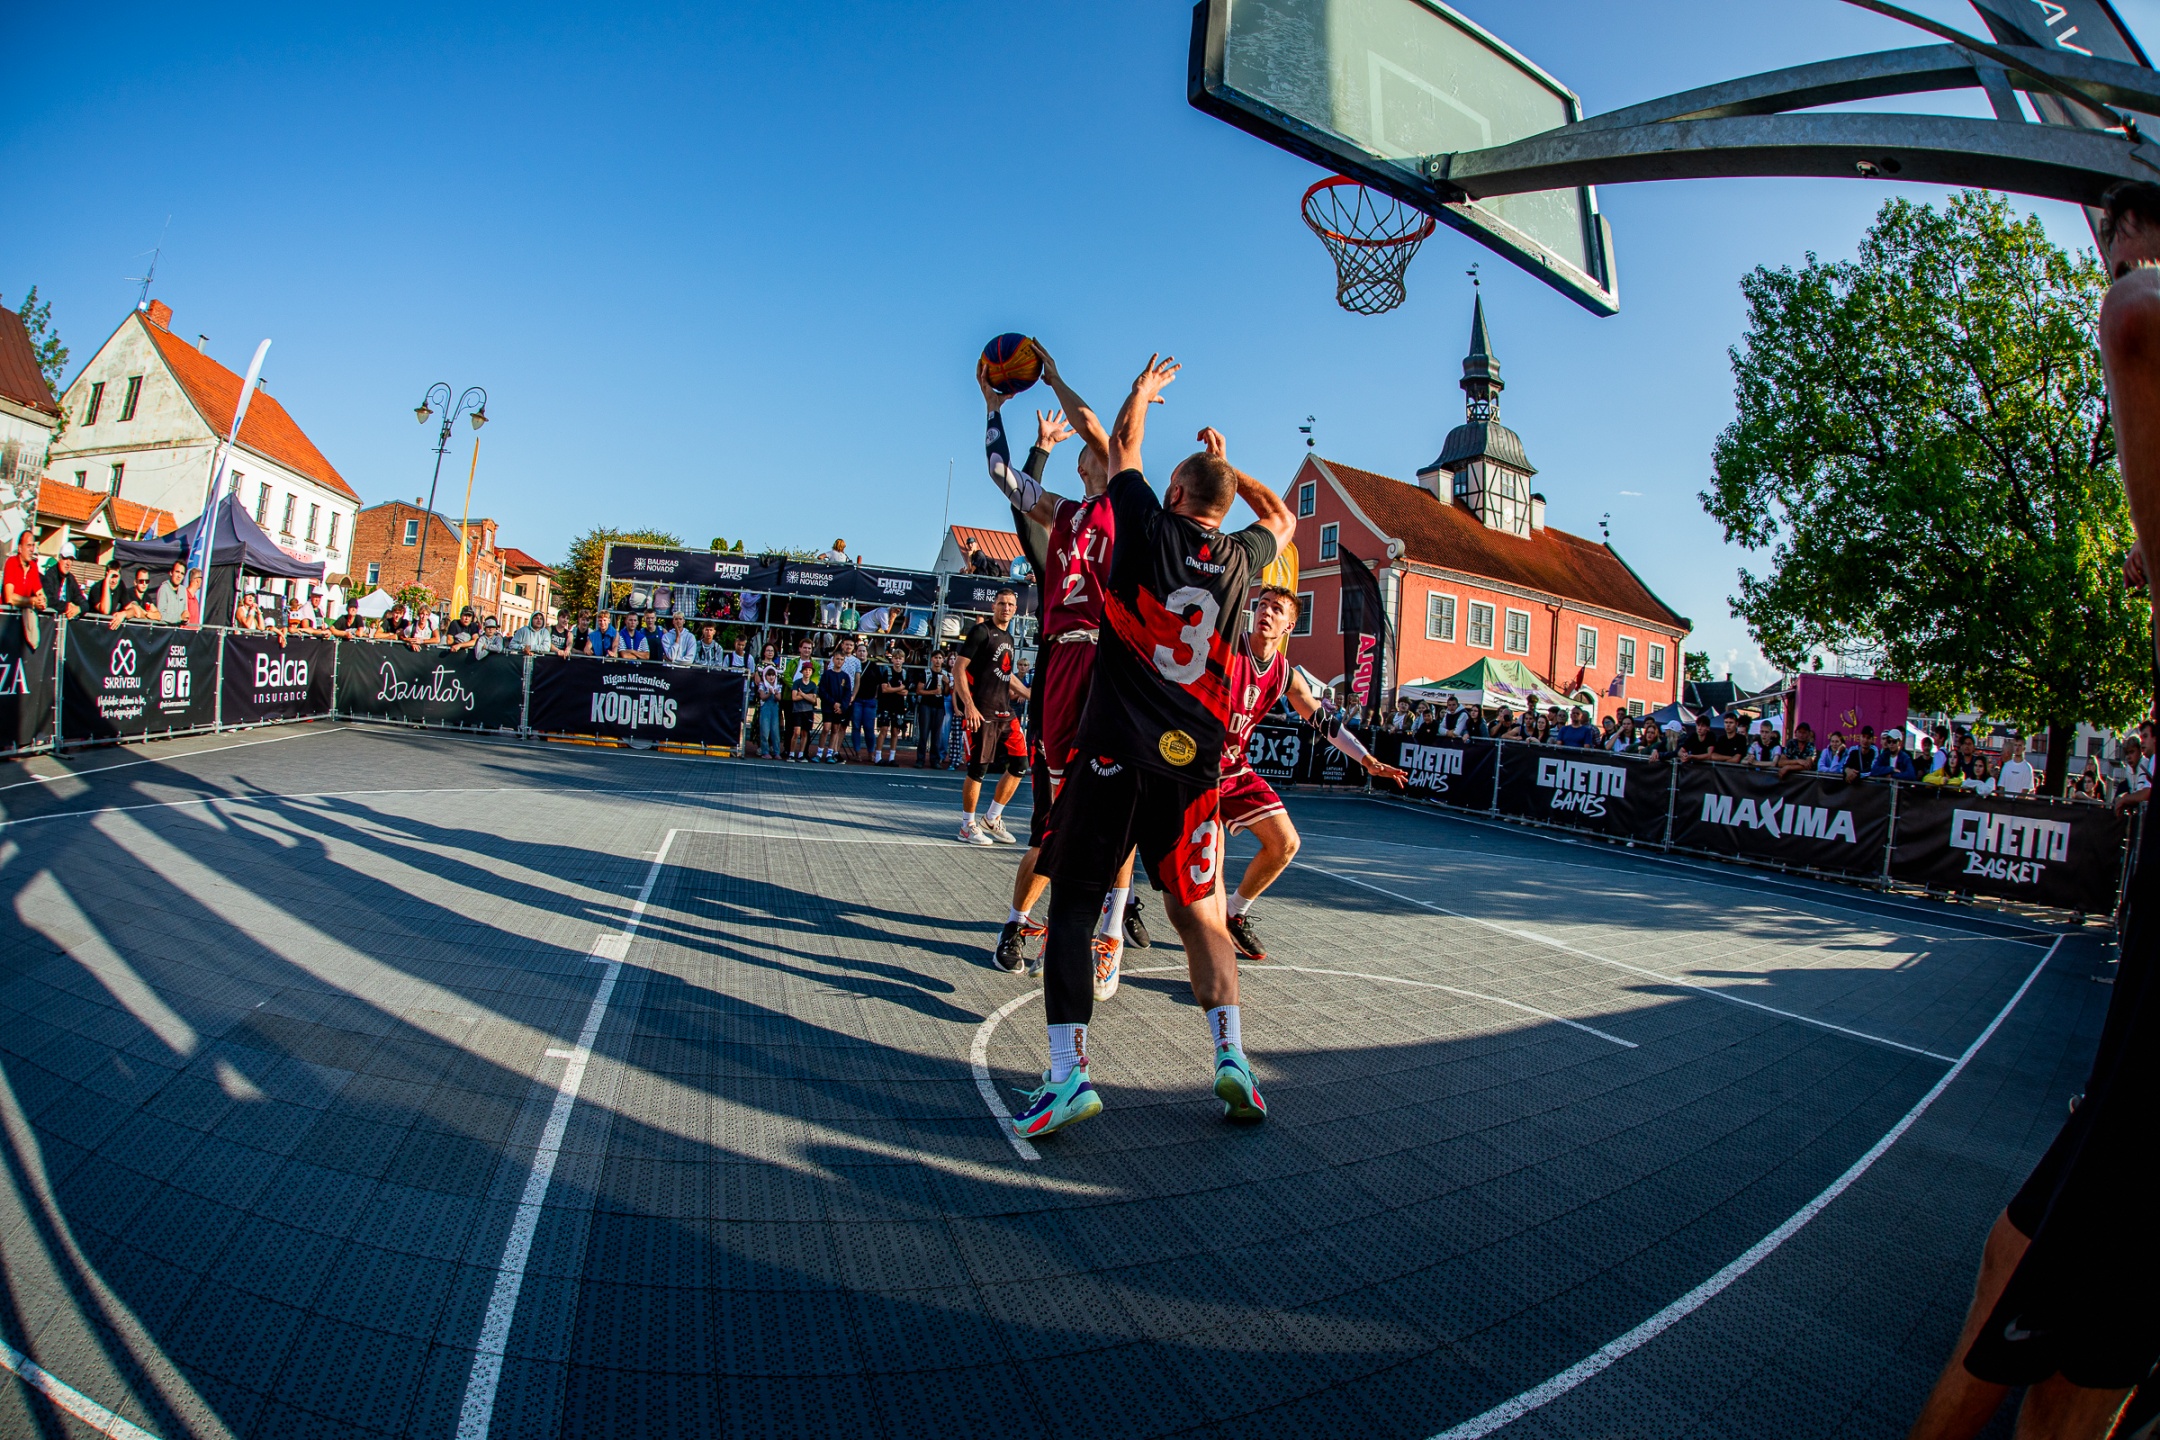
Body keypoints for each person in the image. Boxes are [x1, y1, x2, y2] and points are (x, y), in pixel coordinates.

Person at [1903, 182, 2160, 1440]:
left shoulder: (2139, 293)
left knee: (2068, 1347)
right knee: (2022, 1268)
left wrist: (2135, 273)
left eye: (2109, 233)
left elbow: (2139, 316)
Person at [1019, 352, 1296, 1141]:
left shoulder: (1142, 525)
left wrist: (1141, 393)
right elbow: (1281, 517)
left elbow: (1124, 445)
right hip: (1194, 767)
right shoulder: (1244, 557)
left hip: (1115, 749)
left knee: (1074, 906)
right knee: (1201, 915)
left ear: (1173, 494)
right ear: (1224, 506)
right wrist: (1230, 467)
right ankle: (1233, 1058)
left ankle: (1068, 1075)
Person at [979, 349, 1146, 977]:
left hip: (1112, 659)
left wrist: (1054, 378)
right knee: (1051, 821)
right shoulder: (1064, 512)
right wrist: (992, 410)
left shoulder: (1129, 507)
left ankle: (1111, 930)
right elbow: (1001, 475)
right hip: (1062, 663)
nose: (1102, 449)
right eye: (1092, 450)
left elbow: (1109, 430)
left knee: (1119, 805)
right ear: (1081, 466)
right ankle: (1019, 921)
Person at [1221, 586, 1407, 961]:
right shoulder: (1225, 647)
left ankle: (1234, 913)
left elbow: (1324, 721)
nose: (1266, 612)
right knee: (1166, 844)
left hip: (1234, 768)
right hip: (1190, 763)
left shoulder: (1285, 674)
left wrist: (1367, 760)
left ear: (1289, 625)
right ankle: (1120, 906)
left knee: (1285, 844)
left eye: (1277, 609)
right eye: (1262, 605)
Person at [955, 588, 1028, 841]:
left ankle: (992, 818)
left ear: (1015, 609)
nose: (1005, 608)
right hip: (982, 711)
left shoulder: (1009, 637)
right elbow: (958, 669)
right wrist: (969, 705)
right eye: (1001, 603)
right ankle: (967, 826)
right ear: (993, 606)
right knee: (978, 769)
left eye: (1010, 604)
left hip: (1005, 712)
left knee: (1020, 764)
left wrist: (1030, 693)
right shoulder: (981, 632)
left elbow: (1006, 674)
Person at [4, 530, 47, 648]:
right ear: (19, 548)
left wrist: (42, 601)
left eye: (33, 545)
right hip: (5, 623)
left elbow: (41, 594)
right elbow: (9, 597)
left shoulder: (33, 567)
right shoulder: (11, 563)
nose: (32, 549)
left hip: (21, 628)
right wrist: (32, 601)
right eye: (28, 545)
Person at [872, 643, 911, 766]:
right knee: (883, 729)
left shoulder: (905, 673)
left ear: (903, 660)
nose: (898, 661)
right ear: (892, 659)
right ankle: (878, 756)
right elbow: (884, 689)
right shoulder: (886, 672)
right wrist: (899, 688)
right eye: (895, 658)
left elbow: (905, 691)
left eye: (900, 658)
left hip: (898, 705)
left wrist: (893, 689)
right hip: (885, 704)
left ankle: (892, 757)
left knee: (895, 731)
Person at [816, 642, 854, 763]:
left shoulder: (845, 676)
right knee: (826, 728)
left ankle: (830, 753)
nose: (839, 661)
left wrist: (842, 706)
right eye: (837, 659)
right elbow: (822, 691)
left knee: (835, 729)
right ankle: (819, 752)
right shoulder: (827, 674)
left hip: (839, 708)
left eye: (841, 659)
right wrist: (833, 703)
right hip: (828, 706)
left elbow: (847, 693)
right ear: (833, 660)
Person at [786, 641, 820, 760]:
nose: (807, 650)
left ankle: (802, 754)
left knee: (805, 732)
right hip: (796, 707)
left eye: (809, 648)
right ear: (800, 648)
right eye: (804, 647)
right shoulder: (793, 664)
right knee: (794, 731)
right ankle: (790, 752)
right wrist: (797, 691)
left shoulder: (815, 670)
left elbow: (814, 699)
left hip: (807, 709)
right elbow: (794, 696)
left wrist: (802, 694)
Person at [913, 652, 947, 769]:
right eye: (936, 658)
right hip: (926, 705)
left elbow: (946, 692)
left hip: (939, 707)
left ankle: (935, 760)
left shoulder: (945, 674)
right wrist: (933, 692)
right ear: (932, 659)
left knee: (937, 735)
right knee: (924, 733)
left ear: (943, 660)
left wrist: (947, 683)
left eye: (940, 658)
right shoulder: (926, 673)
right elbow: (919, 691)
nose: (938, 660)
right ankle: (920, 759)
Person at [751, 643, 783, 758]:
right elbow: (757, 681)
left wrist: (775, 689)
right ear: (764, 652)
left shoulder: (777, 666)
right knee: (762, 725)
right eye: (768, 650)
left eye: (772, 651)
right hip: (763, 698)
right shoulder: (759, 665)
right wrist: (767, 689)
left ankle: (774, 748)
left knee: (775, 728)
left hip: (774, 701)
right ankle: (762, 748)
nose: (770, 652)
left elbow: (780, 682)